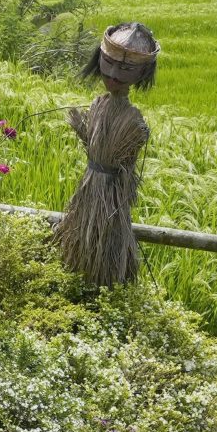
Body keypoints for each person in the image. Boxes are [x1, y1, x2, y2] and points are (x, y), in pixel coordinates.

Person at [56, 21, 157, 286]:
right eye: (109, 64)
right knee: (79, 246)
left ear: (141, 72)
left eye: (125, 69)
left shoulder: (132, 120)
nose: (113, 75)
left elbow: (126, 158)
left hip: (110, 201)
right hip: (88, 195)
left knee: (105, 253)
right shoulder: (98, 105)